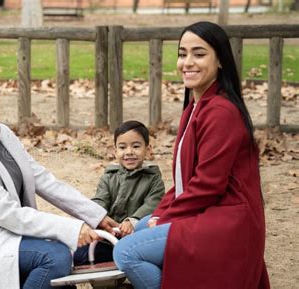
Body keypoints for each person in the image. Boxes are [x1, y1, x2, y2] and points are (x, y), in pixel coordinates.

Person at [113, 21, 270, 289]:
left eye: (199, 54)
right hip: (208, 210)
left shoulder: (221, 112)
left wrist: (165, 219)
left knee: (125, 252)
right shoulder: (195, 107)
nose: (187, 62)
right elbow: (184, 182)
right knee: (136, 230)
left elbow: (208, 185)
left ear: (220, 60)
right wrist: (159, 213)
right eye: (182, 54)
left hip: (228, 220)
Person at [0, 67, 119, 288]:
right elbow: (7, 214)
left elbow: (41, 179)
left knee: (96, 251)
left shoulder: (2, 133)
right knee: (55, 257)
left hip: (12, 234)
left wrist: (93, 215)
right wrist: (71, 229)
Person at [73, 120, 165, 265]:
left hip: (136, 239)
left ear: (148, 150)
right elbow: (100, 200)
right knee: (79, 254)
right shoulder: (109, 176)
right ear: (115, 151)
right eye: (122, 147)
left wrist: (133, 220)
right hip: (108, 238)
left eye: (136, 146)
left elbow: (153, 203)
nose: (129, 152)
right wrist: (97, 218)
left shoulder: (153, 178)